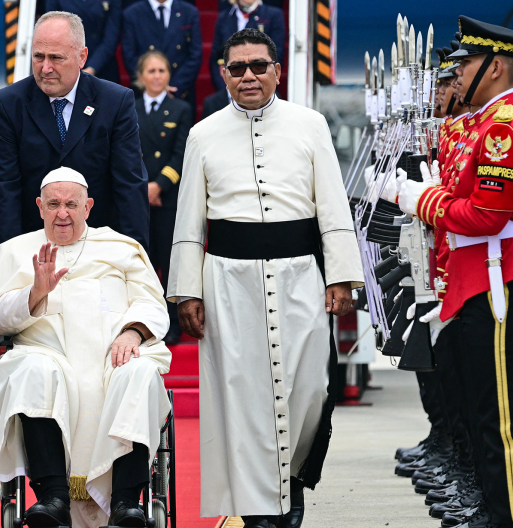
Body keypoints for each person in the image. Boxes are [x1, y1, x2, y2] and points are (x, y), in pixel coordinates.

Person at [167, 29, 362, 528]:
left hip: (300, 274)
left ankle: (292, 479)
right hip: (228, 281)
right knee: (242, 393)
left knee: (312, 388)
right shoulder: (202, 134)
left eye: (258, 65)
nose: (249, 76)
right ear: (224, 75)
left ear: (277, 69)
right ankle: (260, 509)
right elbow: (189, 220)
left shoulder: (311, 124)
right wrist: (186, 290)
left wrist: (340, 275)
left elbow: (333, 206)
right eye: (238, 68)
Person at [398, 17, 513, 528]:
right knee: (484, 406)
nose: (456, 75)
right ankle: (494, 506)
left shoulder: (503, 130)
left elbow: (484, 215)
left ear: (497, 67)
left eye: (468, 64)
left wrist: (421, 198)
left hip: (500, 277)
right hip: (478, 274)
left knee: (503, 413)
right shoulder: (484, 123)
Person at [0, 167, 171, 528]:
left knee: (139, 372)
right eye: (53, 204)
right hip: (46, 354)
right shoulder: (15, 250)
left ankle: (125, 503)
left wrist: (133, 333)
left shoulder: (122, 248)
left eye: (71, 204)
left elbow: (152, 304)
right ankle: (53, 498)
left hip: (114, 356)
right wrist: (35, 292)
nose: (63, 213)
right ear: (39, 206)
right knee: (31, 370)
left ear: (88, 206)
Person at [0, 10, 149, 249]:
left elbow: (130, 185)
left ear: (82, 57)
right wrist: (12, 256)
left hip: (101, 248)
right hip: (35, 248)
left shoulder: (115, 102)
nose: (45, 68)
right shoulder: (8, 105)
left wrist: (134, 256)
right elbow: (4, 188)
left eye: (56, 57)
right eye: (38, 57)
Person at [134, 51, 191, 344]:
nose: (157, 76)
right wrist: (142, 186)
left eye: (162, 71)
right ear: (141, 76)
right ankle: (143, 322)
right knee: (143, 262)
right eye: (151, 71)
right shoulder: (128, 107)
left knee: (169, 263)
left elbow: (182, 154)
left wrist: (159, 186)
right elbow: (125, 151)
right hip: (137, 196)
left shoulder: (180, 108)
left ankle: (171, 323)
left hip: (167, 198)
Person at [121, 0, 202, 110]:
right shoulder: (132, 13)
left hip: (179, 93)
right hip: (144, 94)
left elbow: (195, 55)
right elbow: (129, 55)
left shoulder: (189, 12)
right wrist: (152, 84)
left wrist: (174, 86)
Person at [209, 0, 285, 93]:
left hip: (261, 85)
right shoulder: (224, 17)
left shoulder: (273, 15)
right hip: (230, 85)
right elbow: (216, 57)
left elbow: (277, 56)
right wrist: (226, 89)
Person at [45, 0, 122, 84]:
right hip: (66, 67)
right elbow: (53, 31)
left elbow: (110, 39)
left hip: (102, 68)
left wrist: (92, 68)